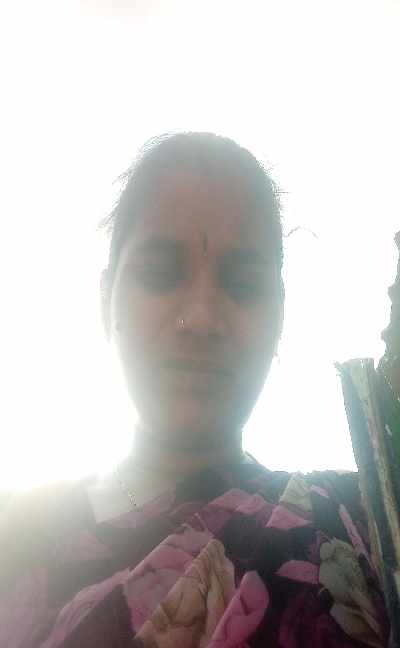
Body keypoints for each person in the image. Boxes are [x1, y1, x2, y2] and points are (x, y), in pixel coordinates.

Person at [0, 132, 390, 647]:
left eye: (242, 285)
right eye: (160, 273)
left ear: (279, 317)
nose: (201, 318)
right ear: (105, 299)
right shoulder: (15, 534)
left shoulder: (361, 526)